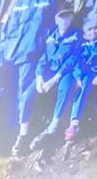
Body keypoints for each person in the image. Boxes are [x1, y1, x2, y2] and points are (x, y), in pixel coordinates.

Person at [0, 0, 53, 137]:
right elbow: (10, 28)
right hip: (13, 54)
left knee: (24, 89)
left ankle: (22, 128)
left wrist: (42, 44)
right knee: (10, 89)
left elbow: (51, 25)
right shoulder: (19, 3)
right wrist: (7, 50)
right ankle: (12, 127)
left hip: (33, 52)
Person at [26, 9, 82, 149]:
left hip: (66, 72)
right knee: (28, 94)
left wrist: (54, 80)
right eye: (61, 17)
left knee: (66, 88)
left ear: (71, 18)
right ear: (56, 20)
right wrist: (39, 77)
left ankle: (53, 126)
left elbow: (73, 59)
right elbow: (44, 58)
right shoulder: (51, 36)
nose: (64, 20)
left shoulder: (76, 35)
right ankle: (24, 131)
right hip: (49, 71)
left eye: (68, 17)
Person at [65, 14, 97, 142]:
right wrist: (78, 77)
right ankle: (74, 122)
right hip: (88, 72)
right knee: (83, 85)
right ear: (85, 30)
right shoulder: (83, 44)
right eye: (90, 29)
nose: (93, 31)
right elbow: (78, 61)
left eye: (96, 28)